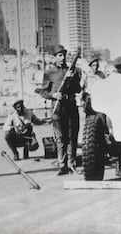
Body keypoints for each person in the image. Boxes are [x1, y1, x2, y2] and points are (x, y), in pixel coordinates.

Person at [39, 44, 82, 175]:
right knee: (60, 138)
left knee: (72, 137)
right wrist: (53, 95)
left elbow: (78, 89)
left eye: (64, 55)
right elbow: (42, 91)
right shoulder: (49, 72)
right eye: (60, 55)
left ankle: (72, 164)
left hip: (71, 106)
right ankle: (62, 165)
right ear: (54, 57)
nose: (63, 58)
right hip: (58, 109)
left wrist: (74, 78)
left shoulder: (72, 70)